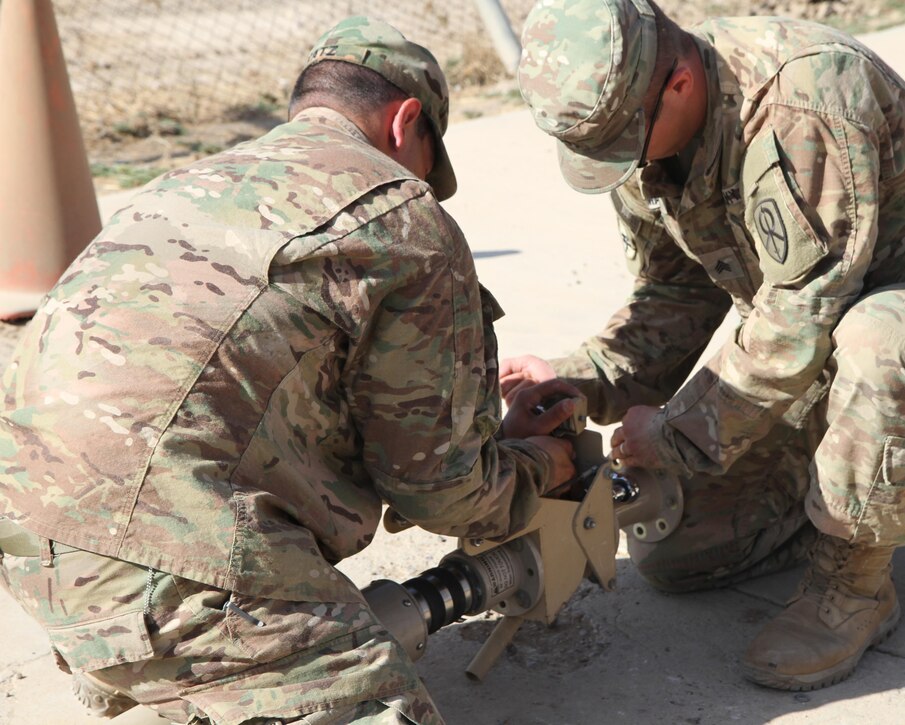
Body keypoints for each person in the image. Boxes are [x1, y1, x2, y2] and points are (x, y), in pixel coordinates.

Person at [0, 17, 580, 724]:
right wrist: (536, 466)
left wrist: (474, 405)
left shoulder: (194, 181)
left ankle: (154, 663)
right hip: (171, 574)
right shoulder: (403, 214)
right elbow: (440, 492)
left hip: (35, 549)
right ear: (406, 124)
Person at [504, 0, 905, 692]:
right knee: (678, 552)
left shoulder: (805, 99)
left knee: (884, 339)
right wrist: (580, 379)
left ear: (678, 83)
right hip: (832, 345)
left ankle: (856, 587)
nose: (617, 164)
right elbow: (675, 296)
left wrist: (680, 431)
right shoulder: (648, 133)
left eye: (620, 143)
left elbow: (804, 311)